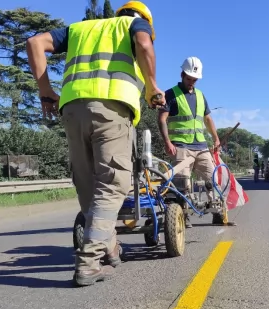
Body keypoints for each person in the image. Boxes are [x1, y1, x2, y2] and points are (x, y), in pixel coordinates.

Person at [25, 0, 165, 287]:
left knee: (88, 184)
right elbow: (143, 44)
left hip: (72, 110)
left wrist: (45, 91)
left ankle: (111, 247)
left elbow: (34, 42)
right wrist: (152, 87)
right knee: (112, 184)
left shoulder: (80, 29)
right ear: (145, 19)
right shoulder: (134, 25)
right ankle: (89, 262)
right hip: (111, 109)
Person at [157, 56, 224, 228]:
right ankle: (182, 216)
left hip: (201, 146)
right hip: (181, 146)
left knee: (212, 179)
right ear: (182, 75)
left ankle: (216, 212)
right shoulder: (171, 94)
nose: (191, 82)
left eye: (194, 80)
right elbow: (162, 119)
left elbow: (208, 119)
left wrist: (215, 138)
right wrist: (167, 142)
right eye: (189, 79)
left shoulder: (201, 96)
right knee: (182, 184)